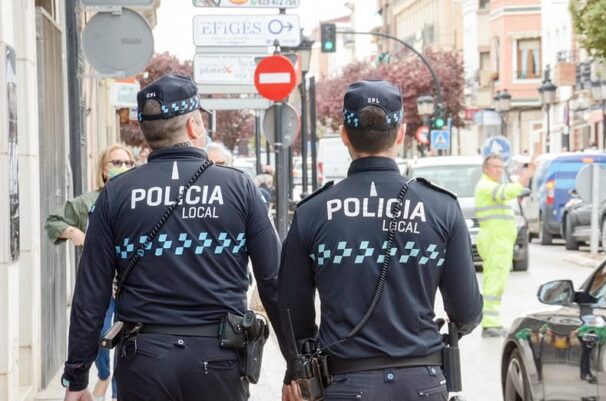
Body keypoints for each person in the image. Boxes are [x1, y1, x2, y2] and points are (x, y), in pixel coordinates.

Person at [62, 73, 287, 401]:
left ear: (145, 131)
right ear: (195, 126)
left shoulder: (115, 194)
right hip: (219, 359)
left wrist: (77, 376)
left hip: (143, 362)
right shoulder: (239, 188)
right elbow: (275, 282)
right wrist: (296, 365)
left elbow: (90, 294)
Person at [279, 80, 483, 401]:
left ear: (344, 134)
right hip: (423, 381)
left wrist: (300, 369)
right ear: (400, 134)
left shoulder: (312, 211)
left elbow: (292, 311)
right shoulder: (441, 206)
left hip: (344, 382)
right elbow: (468, 311)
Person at [46, 144, 134, 401]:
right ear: (104, 168)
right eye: (117, 162)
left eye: (128, 163)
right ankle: (103, 376)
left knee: (127, 347)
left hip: (129, 287)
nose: (124, 167)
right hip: (100, 289)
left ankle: (117, 392)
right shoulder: (88, 202)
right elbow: (54, 220)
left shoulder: (138, 198)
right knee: (99, 341)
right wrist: (76, 233)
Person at [475, 153, 534, 337]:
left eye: (501, 167)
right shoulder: (486, 186)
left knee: (497, 282)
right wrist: (528, 174)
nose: (498, 170)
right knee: (493, 283)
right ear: (486, 169)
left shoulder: (491, 185)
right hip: (495, 241)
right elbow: (508, 192)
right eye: (495, 166)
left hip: (499, 241)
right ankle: (490, 324)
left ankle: (492, 322)